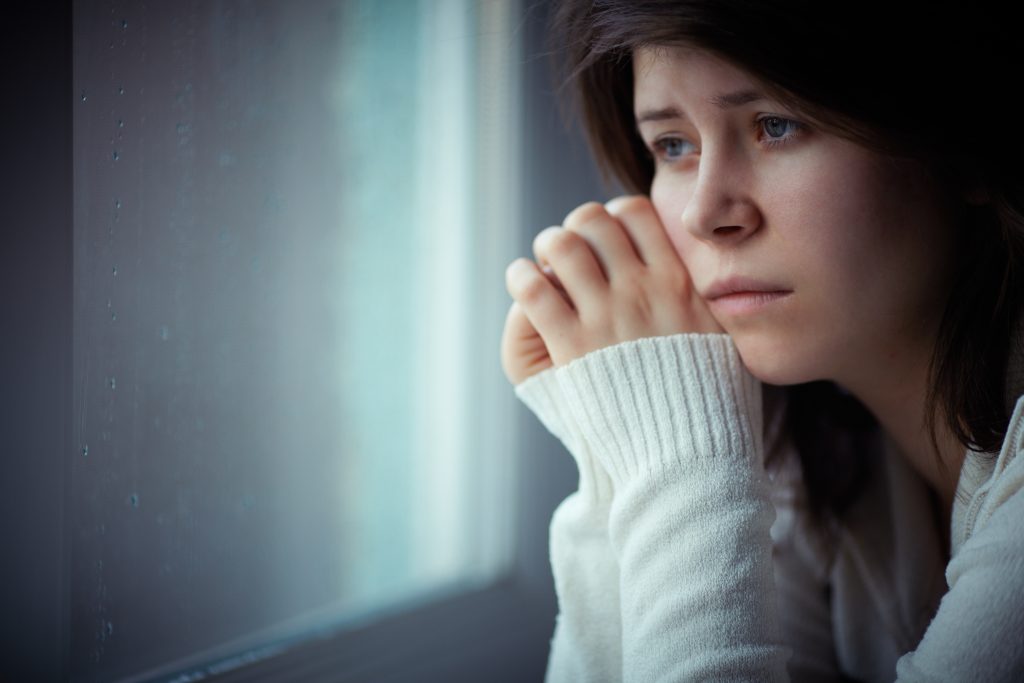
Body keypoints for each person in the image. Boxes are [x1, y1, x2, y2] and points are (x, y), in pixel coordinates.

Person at [500, 1, 1024, 681]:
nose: (706, 212)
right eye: (673, 146)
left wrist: (678, 461)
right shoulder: (815, 454)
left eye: (776, 125)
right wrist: (616, 452)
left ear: (965, 142)